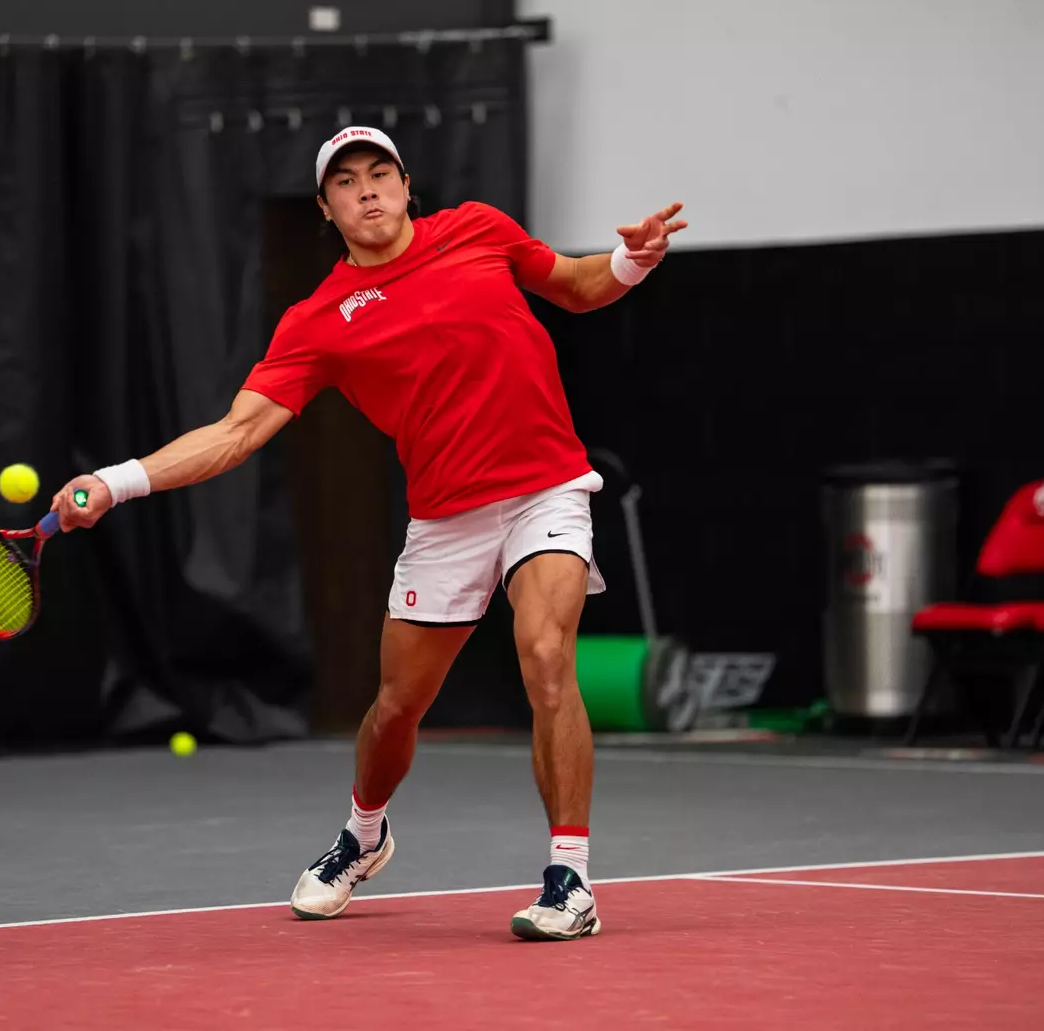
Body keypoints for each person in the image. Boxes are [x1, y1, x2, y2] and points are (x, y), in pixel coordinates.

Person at [52, 125, 685, 941]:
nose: (367, 190)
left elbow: (575, 285)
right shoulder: (318, 321)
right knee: (396, 708)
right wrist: (116, 481)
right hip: (446, 518)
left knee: (546, 658)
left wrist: (634, 259)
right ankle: (364, 834)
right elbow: (237, 432)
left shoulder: (478, 230)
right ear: (327, 208)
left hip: (546, 490)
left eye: (378, 172)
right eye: (346, 182)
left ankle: (571, 878)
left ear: (405, 182)